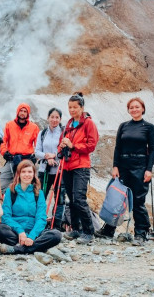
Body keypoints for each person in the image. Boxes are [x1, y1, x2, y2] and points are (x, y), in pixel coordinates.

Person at [97, 98, 154, 245]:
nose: (134, 109)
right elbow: (118, 147)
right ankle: (109, 230)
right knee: (117, 198)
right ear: (128, 110)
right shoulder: (123, 126)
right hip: (123, 166)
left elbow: (153, 150)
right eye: (131, 107)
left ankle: (141, 233)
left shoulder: (149, 127)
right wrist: (115, 166)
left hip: (140, 166)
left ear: (143, 108)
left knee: (138, 200)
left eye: (137, 107)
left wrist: (149, 170)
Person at [0, 160, 62, 254]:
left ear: (34, 174)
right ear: (19, 174)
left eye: (29, 172)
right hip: (15, 232)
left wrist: (31, 236)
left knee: (56, 235)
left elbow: (41, 218)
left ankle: (19, 249)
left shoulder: (39, 193)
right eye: (23, 172)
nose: (26, 175)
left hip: (34, 232)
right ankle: (36, 246)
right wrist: (20, 231)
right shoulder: (11, 191)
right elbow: (5, 217)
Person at [59, 92, 99, 244]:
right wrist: (61, 147)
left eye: (75, 107)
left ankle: (88, 232)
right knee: (72, 199)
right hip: (67, 166)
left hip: (81, 166)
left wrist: (73, 145)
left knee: (79, 198)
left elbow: (91, 145)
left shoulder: (89, 123)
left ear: (82, 108)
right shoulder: (68, 125)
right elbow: (61, 143)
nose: (72, 110)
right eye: (70, 107)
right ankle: (75, 229)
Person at [0, 103, 40, 191]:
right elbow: (3, 141)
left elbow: (38, 145)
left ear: (28, 113)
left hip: (27, 160)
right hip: (12, 159)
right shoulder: (9, 125)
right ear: (17, 111)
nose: (22, 113)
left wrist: (35, 157)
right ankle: (5, 200)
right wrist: (4, 152)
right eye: (21, 110)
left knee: (31, 185)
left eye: (25, 111)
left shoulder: (34, 127)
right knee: (1, 184)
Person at [34, 108, 63, 195]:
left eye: (57, 117)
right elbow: (37, 152)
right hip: (44, 170)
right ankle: (42, 209)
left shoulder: (64, 133)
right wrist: (47, 157)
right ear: (48, 118)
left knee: (59, 200)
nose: (54, 120)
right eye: (52, 117)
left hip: (59, 171)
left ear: (60, 119)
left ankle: (58, 209)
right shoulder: (42, 133)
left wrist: (54, 156)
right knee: (40, 197)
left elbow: (65, 152)